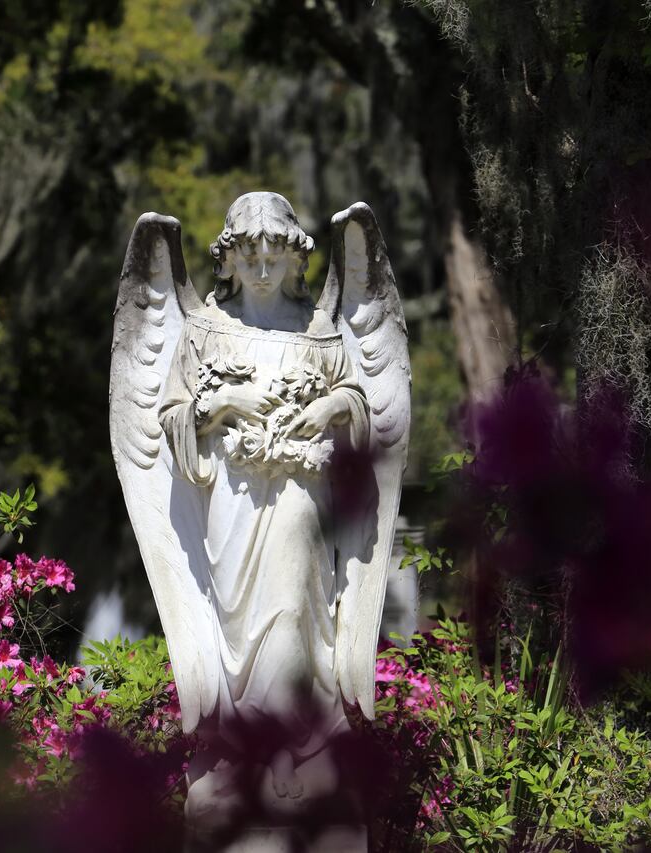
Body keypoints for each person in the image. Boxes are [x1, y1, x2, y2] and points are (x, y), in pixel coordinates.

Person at [156, 192, 369, 816]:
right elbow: (170, 414)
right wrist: (225, 405)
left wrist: (331, 406)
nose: (262, 267)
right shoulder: (202, 333)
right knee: (238, 626)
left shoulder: (320, 333)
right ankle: (244, 749)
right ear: (229, 260)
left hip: (300, 491)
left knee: (291, 605)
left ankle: (288, 751)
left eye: (273, 252)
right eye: (249, 254)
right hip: (232, 501)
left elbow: (358, 404)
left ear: (293, 257)